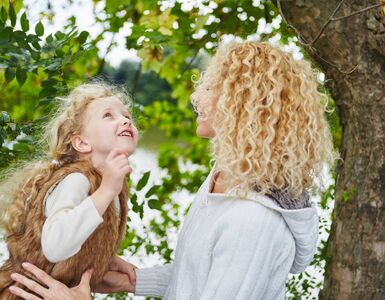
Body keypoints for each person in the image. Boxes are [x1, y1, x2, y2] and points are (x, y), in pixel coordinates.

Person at [9, 41, 336, 299]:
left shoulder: (254, 222)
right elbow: (203, 276)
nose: (196, 96)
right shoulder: (223, 181)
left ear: (244, 106)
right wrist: (138, 280)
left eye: (210, 88)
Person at [0, 83, 139, 299]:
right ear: (82, 142)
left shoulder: (112, 186)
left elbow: (83, 237)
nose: (125, 120)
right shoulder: (76, 180)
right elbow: (55, 247)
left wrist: (103, 258)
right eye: (108, 116)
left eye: (126, 115)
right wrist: (106, 191)